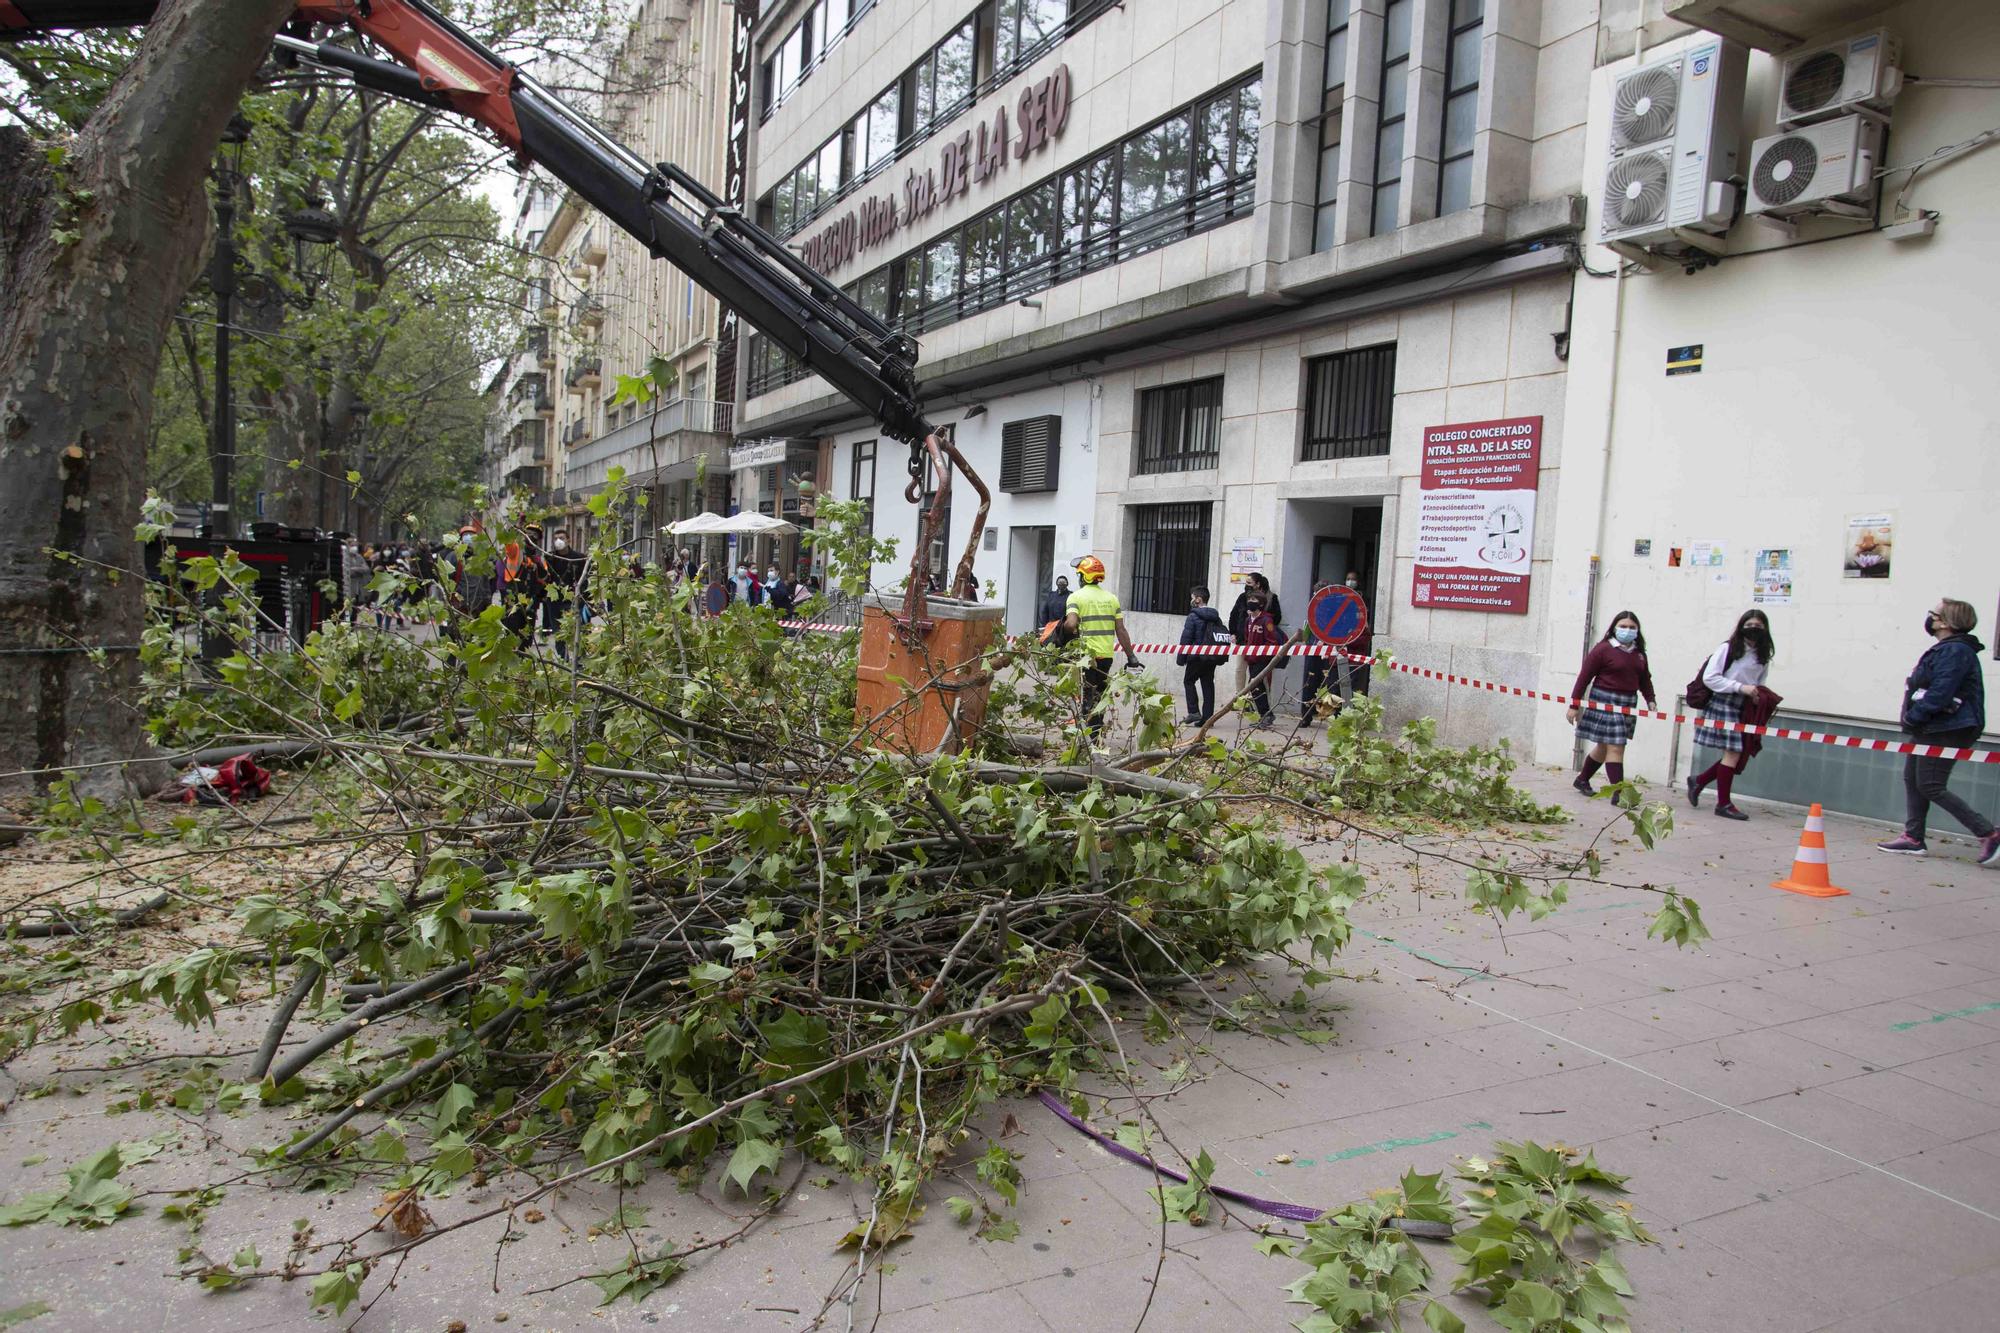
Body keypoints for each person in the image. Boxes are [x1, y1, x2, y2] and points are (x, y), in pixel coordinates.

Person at [1877, 598, 1999, 863]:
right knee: (1913, 778)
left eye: (1934, 614)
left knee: (1931, 785)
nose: (1929, 618)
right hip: (1931, 726)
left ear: (1946, 621)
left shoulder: (1955, 651)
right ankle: (1913, 837)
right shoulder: (1948, 648)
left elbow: (1940, 692)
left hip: (1947, 728)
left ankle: (1988, 833)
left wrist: (1913, 717)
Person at [1687, 609, 1777, 820]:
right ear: (1741, 627)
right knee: (1734, 753)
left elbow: (1759, 682)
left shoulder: (1763, 656)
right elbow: (1711, 678)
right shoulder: (1728, 649)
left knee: (1739, 752)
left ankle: (1699, 781)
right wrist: (1739, 687)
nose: (1754, 629)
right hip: (1723, 701)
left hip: (1745, 706)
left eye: (1759, 626)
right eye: (1750, 625)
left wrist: (1756, 695)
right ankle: (1723, 803)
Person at [1567, 610, 1658, 795]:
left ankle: (1582, 780)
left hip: (1627, 703)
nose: (1627, 630)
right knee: (1616, 747)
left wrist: (1651, 699)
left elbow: (1645, 679)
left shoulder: (1639, 654)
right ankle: (1619, 794)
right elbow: (1584, 678)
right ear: (1614, 628)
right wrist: (1574, 706)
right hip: (1604, 701)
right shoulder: (1603, 649)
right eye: (1623, 626)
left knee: (1604, 746)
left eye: (1632, 627)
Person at [1062, 555, 1141, 739]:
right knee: (1100, 695)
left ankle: (1086, 738)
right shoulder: (1111, 599)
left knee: (1087, 695)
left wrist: (1063, 628)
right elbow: (1120, 629)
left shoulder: (1075, 597)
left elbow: (1071, 624)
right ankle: (1094, 735)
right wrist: (1131, 656)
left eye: (1080, 575)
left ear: (1084, 577)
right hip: (1105, 656)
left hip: (1086, 657)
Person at [1176, 585, 1230, 725]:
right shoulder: (1215, 617)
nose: (1191, 600)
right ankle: (1208, 719)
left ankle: (1193, 712)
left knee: (1188, 681)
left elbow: (1186, 638)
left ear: (1198, 600)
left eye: (1193, 598)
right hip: (1211, 657)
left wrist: (1181, 658)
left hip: (1196, 656)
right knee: (1207, 685)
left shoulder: (1193, 616)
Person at [1228, 573, 1283, 700]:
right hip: (1244, 641)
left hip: (1261, 644)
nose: (1246, 586)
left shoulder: (1270, 599)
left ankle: (1255, 702)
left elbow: (1276, 619)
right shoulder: (1242, 598)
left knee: (1257, 676)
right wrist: (1233, 633)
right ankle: (1240, 698)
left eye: (1249, 583)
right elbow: (1234, 615)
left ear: (1258, 584)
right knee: (1240, 669)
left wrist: (1260, 618)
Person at [1240, 587, 1285, 726]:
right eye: (1249, 600)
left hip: (1261, 659)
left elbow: (1272, 641)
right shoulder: (1248, 620)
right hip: (1251, 659)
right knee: (1256, 688)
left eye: (1253, 600)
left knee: (1256, 687)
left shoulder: (1266, 620)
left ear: (1260, 604)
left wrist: (1264, 657)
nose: (1250, 602)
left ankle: (1266, 715)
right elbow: (1247, 638)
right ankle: (1266, 715)